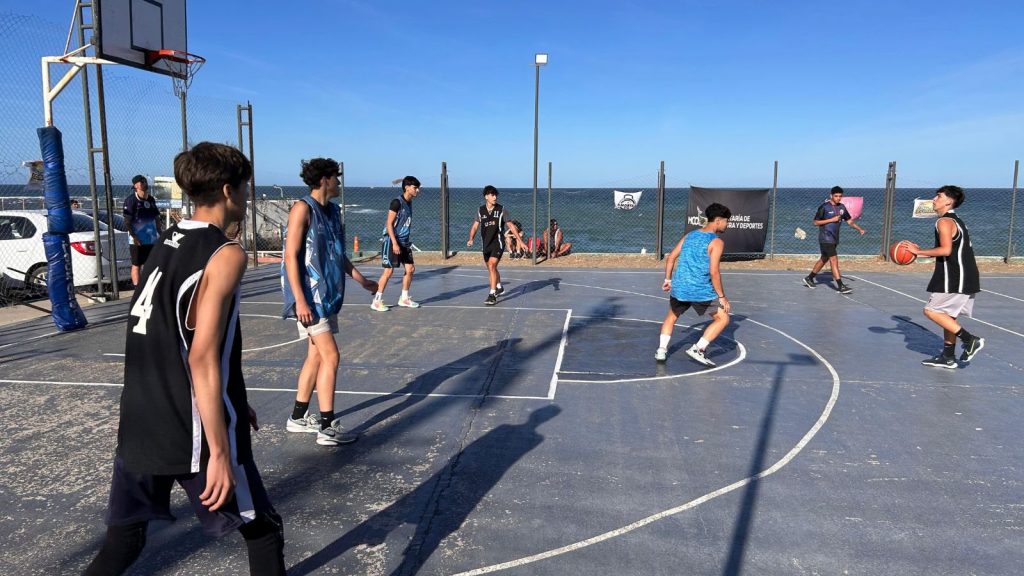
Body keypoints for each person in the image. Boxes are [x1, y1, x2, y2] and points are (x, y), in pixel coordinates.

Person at [85, 143, 285, 575]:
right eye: (246, 187)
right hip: (189, 426)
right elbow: (201, 358)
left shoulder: (166, 239)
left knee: (124, 542)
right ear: (229, 190)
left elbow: (170, 332)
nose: (248, 196)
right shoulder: (225, 253)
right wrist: (220, 451)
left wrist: (235, 399)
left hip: (140, 417)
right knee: (263, 529)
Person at [282, 158, 378, 444]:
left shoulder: (334, 212)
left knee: (315, 355)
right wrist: (299, 300)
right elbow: (290, 256)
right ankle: (327, 427)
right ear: (324, 179)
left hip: (328, 295)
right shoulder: (302, 209)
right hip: (309, 298)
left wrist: (361, 280)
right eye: (336, 177)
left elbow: (338, 254)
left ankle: (298, 418)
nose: (339, 182)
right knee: (331, 356)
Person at [905, 185, 984, 369]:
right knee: (948, 316)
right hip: (964, 274)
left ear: (949, 201)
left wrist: (918, 252)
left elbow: (946, 250)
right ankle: (948, 357)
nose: (934, 199)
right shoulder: (956, 220)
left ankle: (970, 340)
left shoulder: (944, 221)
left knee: (931, 311)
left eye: (938, 196)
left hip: (955, 275)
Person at [655, 203, 732, 367]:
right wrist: (722, 296)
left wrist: (668, 280)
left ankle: (661, 350)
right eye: (727, 221)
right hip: (700, 291)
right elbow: (714, 272)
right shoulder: (716, 242)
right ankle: (698, 348)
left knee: (671, 317)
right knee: (723, 318)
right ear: (718, 220)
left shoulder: (690, 235)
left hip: (680, 287)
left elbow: (671, 257)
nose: (728, 224)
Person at [467, 186, 525, 305]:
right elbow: (475, 226)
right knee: (491, 268)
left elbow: (511, 226)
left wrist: (521, 241)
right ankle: (499, 287)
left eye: (495, 195)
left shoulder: (502, 209)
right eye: (492, 195)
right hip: (486, 244)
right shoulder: (480, 210)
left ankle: (492, 294)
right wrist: (471, 239)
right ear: (486, 196)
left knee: (492, 265)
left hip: (498, 243)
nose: (495, 197)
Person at [802, 186, 865, 294]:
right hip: (825, 237)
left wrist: (859, 229)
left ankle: (809, 278)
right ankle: (840, 286)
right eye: (836, 196)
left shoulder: (842, 207)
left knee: (824, 259)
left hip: (834, 238)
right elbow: (815, 222)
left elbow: (849, 221)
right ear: (831, 195)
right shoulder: (824, 207)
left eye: (840, 196)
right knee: (834, 259)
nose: (838, 198)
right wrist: (832, 219)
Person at [372, 175, 420, 311]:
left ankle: (404, 298)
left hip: (404, 242)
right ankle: (376, 301)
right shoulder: (397, 202)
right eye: (415, 187)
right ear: (407, 187)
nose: (418, 190)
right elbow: (389, 223)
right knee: (388, 271)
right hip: (392, 240)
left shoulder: (409, 202)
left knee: (410, 269)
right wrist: (394, 243)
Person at [123, 174, 163, 286]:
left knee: (150, 264)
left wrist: (160, 233)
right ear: (136, 186)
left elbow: (156, 217)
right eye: (142, 182)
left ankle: (147, 287)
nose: (145, 183)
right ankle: (137, 289)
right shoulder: (131, 200)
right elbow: (127, 221)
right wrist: (134, 236)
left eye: (145, 181)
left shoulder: (151, 200)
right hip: (137, 240)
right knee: (137, 265)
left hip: (151, 238)